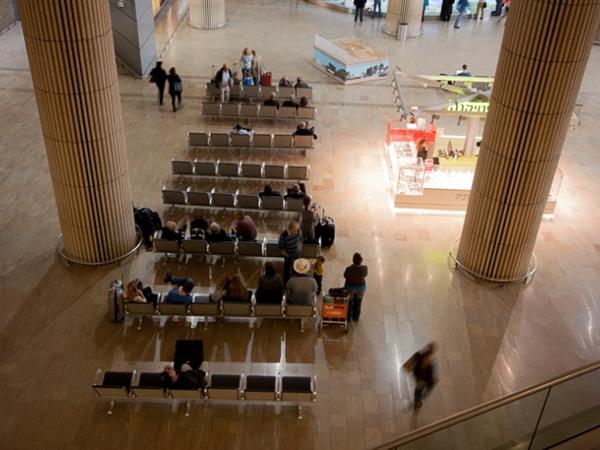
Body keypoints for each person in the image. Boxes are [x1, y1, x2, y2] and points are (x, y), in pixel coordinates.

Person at [403, 343, 437, 409]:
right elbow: (429, 377)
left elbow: (407, 365)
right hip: (423, 381)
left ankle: (418, 402)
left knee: (420, 392)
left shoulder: (418, 355)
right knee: (419, 392)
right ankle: (417, 403)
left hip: (421, 379)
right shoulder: (429, 365)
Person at [343, 253, 368, 321]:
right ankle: (356, 317)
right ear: (361, 261)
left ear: (353, 260)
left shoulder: (349, 268)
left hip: (350, 287)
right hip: (361, 287)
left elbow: (345, 276)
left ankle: (348, 317)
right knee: (358, 302)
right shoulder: (365, 268)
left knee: (349, 302)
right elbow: (365, 275)